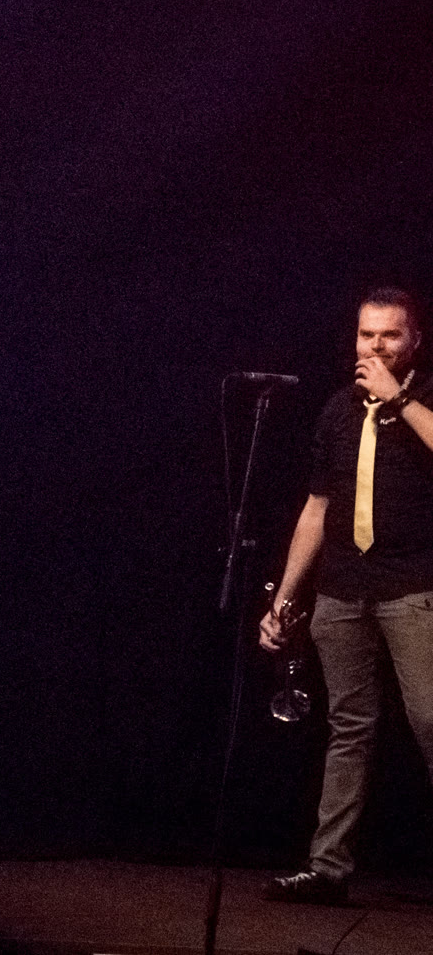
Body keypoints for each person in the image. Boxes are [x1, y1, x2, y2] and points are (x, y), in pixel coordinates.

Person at [259, 289, 433, 905]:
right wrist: (283, 599)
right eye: (366, 334)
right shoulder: (338, 409)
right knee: (349, 728)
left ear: (414, 341)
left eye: (390, 335)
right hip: (341, 589)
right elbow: (317, 507)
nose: (375, 346)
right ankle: (328, 868)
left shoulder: (425, 397)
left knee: (431, 719)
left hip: (412, 585)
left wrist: (400, 400)